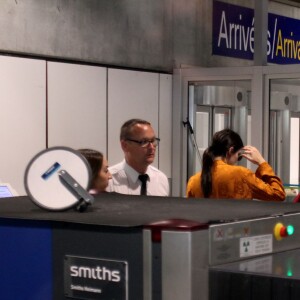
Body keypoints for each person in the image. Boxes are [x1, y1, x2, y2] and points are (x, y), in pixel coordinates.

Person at [186, 128, 286, 201]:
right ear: (231, 150)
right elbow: (278, 193)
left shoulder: (193, 181)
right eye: (238, 155)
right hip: (237, 229)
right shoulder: (241, 174)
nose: (237, 160)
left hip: (206, 230)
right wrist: (262, 162)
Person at [106, 118, 169, 196]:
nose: (152, 147)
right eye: (144, 142)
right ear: (125, 145)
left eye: (153, 141)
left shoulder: (161, 179)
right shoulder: (109, 180)